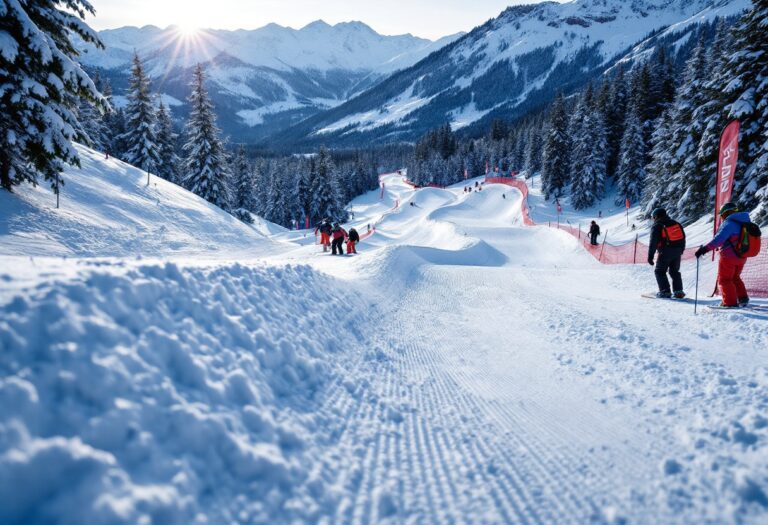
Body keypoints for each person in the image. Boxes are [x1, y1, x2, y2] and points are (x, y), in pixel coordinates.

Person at [695, 203, 753, 308]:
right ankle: (743, 298)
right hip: (742, 256)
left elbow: (718, 240)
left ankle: (730, 303)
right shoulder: (744, 223)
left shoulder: (729, 223)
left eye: (721, 215)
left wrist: (704, 249)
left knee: (725, 280)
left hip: (728, 257)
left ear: (725, 213)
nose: (721, 217)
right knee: (735, 277)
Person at [648, 208, 686, 299]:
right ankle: (678, 292)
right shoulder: (676, 223)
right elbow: (683, 238)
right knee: (674, 271)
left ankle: (665, 291)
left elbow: (653, 242)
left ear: (656, 216)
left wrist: (650, 256)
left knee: (659, 271)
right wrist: (681, 250)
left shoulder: (657, 225)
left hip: (665, 251)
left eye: (653, 217)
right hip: (677, 251)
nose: (653, 219)